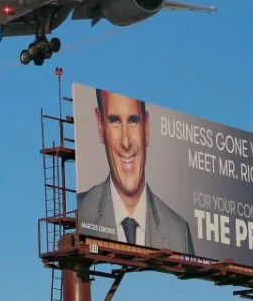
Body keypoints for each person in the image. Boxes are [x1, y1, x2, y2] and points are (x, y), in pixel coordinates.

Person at [76, 89, 195, 255]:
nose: (126, 142)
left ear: (146, 127)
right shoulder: (80, 213)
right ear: (100, 125)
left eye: (133, 121)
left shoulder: (177, 231)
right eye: (115, 121)